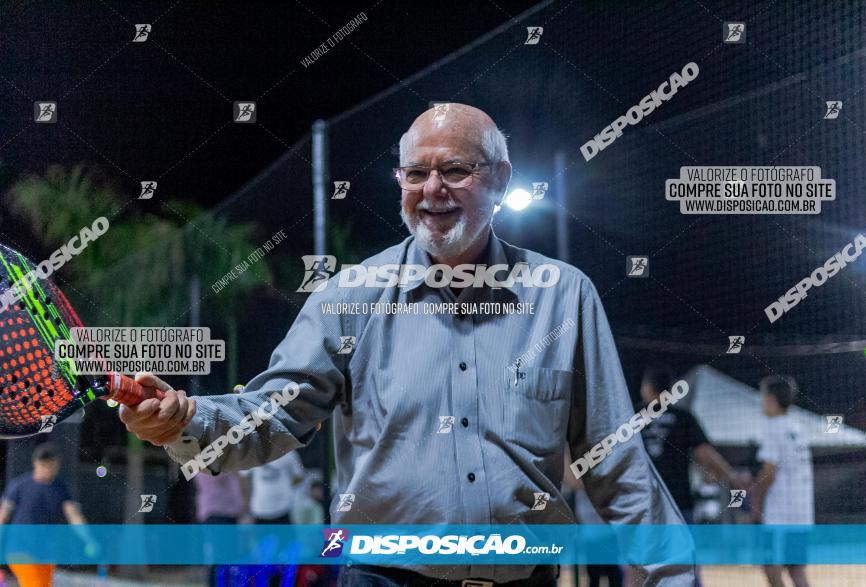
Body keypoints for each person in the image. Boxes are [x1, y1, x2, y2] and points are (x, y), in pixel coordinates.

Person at [119, 103, 695, 585]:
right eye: (415, 174)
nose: (432, 190)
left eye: (455, 170)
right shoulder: (347, 298)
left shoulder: (564, 297)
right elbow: (272, 417)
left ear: (500, 177)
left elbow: (614, 457)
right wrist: (186, 419)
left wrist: (670, 571)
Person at [639, 364, 751, 524]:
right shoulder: (683, 417)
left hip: (642, 503)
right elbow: (704, 452)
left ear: (647, 387)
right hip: (677, 501)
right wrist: (732, 476)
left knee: (643, 549)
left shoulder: (632, 419)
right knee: (679, 548)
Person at [0, 443, 94, 587]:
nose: (48, 469)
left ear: (57, 465)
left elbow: (73, 516)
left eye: (52, 465)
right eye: (44, 465)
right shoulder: (18, 486)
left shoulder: (61, 489)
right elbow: (3, 516)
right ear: (35, 463)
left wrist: (89, 538)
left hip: (46, 551)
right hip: (19, 549)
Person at [752, 375, 813, 587]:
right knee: (797, 571)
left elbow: (769, 474)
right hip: (802, 512)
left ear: (770, 398)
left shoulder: (772, 426)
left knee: (770, 566)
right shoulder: (799, 427)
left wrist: (755, 502)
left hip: (779, 514)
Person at [241, 451, 305, 524]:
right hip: (259, 510)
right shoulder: (253, 453)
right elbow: (243, 477)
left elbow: (299, 476)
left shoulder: (289, 452)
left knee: (287, 535)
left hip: (284, 508)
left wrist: (287, 488)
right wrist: (246, 504)